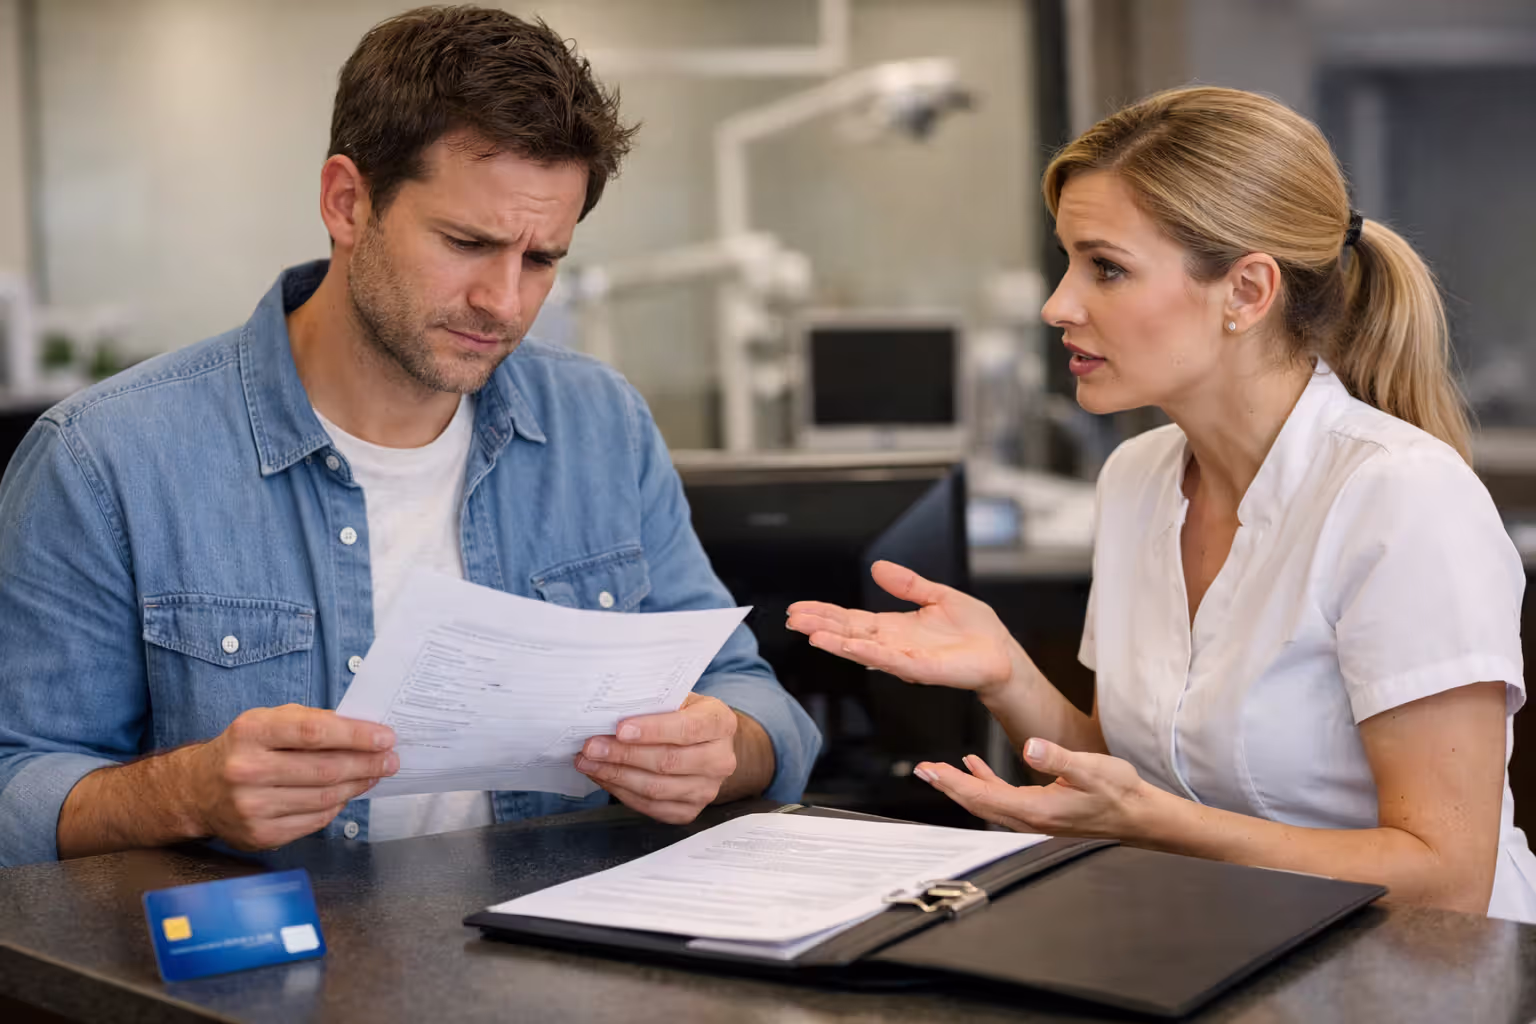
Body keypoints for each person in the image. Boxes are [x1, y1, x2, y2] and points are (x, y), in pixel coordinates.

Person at [0, 6, 819, 867]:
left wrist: (719, 747)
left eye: (542, 260)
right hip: (254, 984)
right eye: (467, 242)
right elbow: (15, 783)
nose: (504, 302)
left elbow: (754, 705)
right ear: (347, 202)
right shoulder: (105, 458)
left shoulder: (602, 424)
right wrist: (182, 793)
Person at [788, 85, 1536, 922]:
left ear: (1246, 293)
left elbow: (1448, 877)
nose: (1057, 306)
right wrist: (1007, 672)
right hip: (1223, 951)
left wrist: (1170, 829)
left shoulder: (1403, 497)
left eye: (1105, 267)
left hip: (1423, 984)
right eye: (1069, 262)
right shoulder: (1139, 477)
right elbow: (1134, 780)